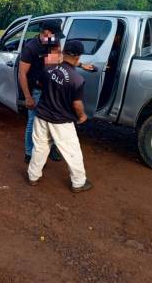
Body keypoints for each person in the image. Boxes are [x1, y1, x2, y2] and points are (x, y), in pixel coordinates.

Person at [18, 20, 93, 163]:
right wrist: (27, 97)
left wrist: (81, 65)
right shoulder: (31, 48)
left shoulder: (53, 40)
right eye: (54, 34)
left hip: (52, 86)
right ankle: (29, 152)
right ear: (46, 32)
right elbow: (22, 73)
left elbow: (59, 59)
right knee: (33, 121)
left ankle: (51, 148)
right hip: (37, 90)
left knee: (52, 118)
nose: (57, 38)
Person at [27, 39, 93, 193]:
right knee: (72, 151)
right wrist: (82, 116)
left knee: (40, 147)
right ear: (78, 57)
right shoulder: (77, 80)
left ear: (63, 52)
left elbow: (40, 84)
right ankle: (78, 183)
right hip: (61, 121)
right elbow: (77, 104)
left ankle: (33, 177)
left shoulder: (48, 69)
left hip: (41, 115)